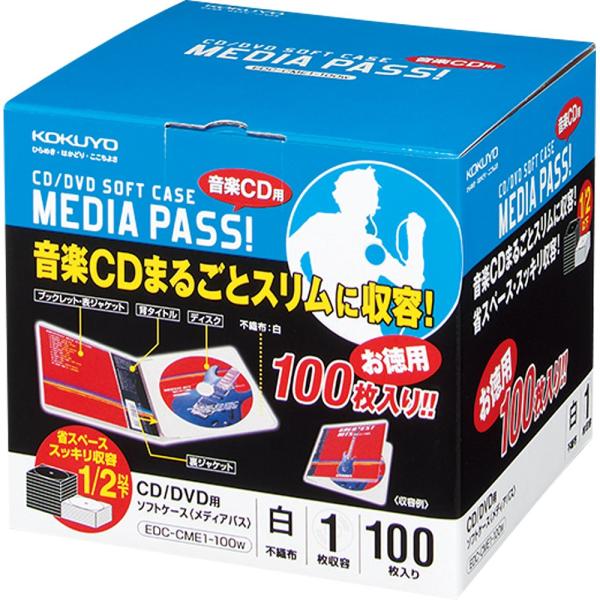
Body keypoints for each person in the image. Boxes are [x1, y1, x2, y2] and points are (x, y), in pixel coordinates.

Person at [287, 166, 426, 342]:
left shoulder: (369, 245)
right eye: (371, 195)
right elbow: (413, 282)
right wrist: (415, 237)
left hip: (357, 334)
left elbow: (411, 283)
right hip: (353, 333)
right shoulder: (323, 224)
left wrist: (307, 292)